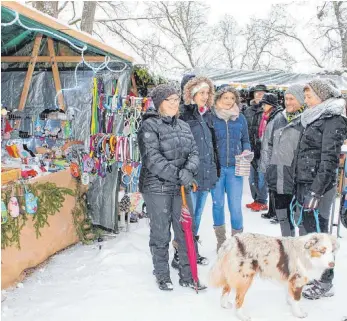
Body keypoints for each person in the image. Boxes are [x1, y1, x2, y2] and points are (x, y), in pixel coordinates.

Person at [137, 84, 206, 291]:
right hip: (157, 187)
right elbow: (153, 159)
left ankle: (188, 274)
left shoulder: (183, 126)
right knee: (161, 233)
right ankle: (162, 274)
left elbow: (194, 152)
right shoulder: (149, 127)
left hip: (180, 188)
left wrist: (188, 171)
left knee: (186, 231)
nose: (176, 104)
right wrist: (179, 175)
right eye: (170, 100)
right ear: (160, 103)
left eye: (177, 100)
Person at [294, 79, 347, 300]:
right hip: (305, 182)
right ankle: (313, 274)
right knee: (308, 234)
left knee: (320, 236)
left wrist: (316, 190)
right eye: (305, 97)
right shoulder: (313, 117)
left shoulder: (333, 120)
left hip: (319, 187)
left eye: (310, 96)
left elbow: (329, 160)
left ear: (323, 96)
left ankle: (326, 281)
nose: (306, 101)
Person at [172, 76, 219, 268]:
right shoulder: (182, 114)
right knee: (186, 217)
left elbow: (212, 145)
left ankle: (192, 249)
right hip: (189, 175)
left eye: (208, 92)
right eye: (201, 92)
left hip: (206, 172)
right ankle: (180, 252)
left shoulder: (208, 114)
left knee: (197, 216)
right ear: (191, 93)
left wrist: (215, 168)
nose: (205, 96)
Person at [260, 84, 306, 235]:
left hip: (298, 179)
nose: (288, 102)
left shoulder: (307, 120)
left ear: (301, 99)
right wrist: (266, 170)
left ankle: (302, 252)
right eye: (286, 99)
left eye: (292, 98)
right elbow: (267, 145)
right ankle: (288, 249)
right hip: (279, 178)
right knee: (283, 217)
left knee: (301, 219)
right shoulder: (278, 119)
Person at [210, 85, 251, 251]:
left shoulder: (240, 118)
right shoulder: (211, 117)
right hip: (217, 169)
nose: (228, 101)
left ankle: (237, 243)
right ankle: (221, 240)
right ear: (218, 99)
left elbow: (246, 140)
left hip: (235, 169)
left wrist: (246, 150)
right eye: (225, 97)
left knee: (235, 206)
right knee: (218, 204)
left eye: (232, 98)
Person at [244, 84, 271, 212]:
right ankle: (255, 199)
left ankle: (262, 201)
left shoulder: (268, 110)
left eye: (262, 93)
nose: (259, 95)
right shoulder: (247, 111)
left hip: (263, 149)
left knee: (262, 176)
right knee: (251, 177)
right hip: (250, 148)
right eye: (257, 93)